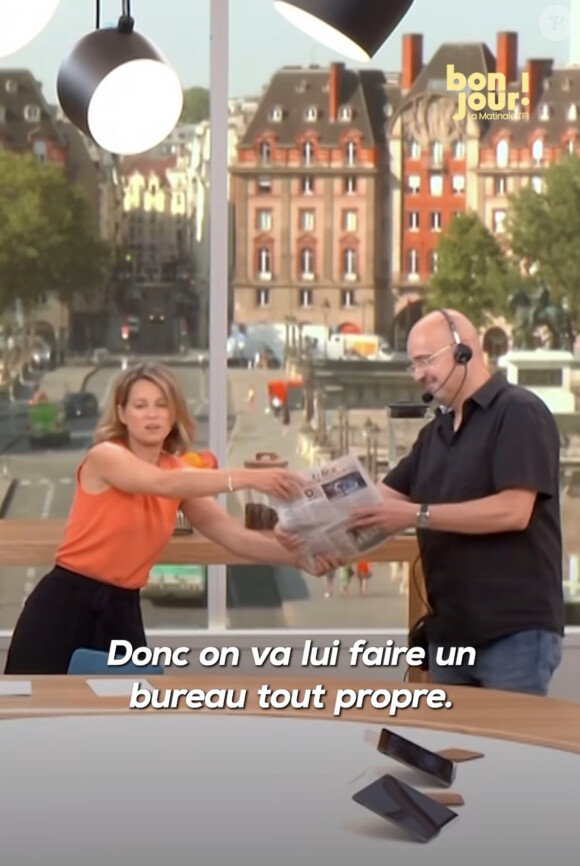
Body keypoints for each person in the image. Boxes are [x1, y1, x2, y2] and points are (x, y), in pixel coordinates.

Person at [277, 308, 564, 696]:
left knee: (507, 753)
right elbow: (376, 502)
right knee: (452, 752)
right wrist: (302, 523)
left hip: (512, 631)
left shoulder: (519, 413)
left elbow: (514, 510)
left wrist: (416, 514)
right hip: (451, 632)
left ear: (464, 350)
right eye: (413, 365)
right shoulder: (435, 434)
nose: (418, 375)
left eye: (425, 360)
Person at [5, 362, 339, 675]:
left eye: (161, 404)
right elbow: (160, 484)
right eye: (140, 405)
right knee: (33, 721)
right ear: (121, 413)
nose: (152, 414)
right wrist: (249, 477)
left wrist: (299, 558)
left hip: (122, 613)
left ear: (174, 413)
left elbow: (231, 535)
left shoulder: (179, 471)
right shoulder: (105, 456)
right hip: (64, 605)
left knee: (125, 725)